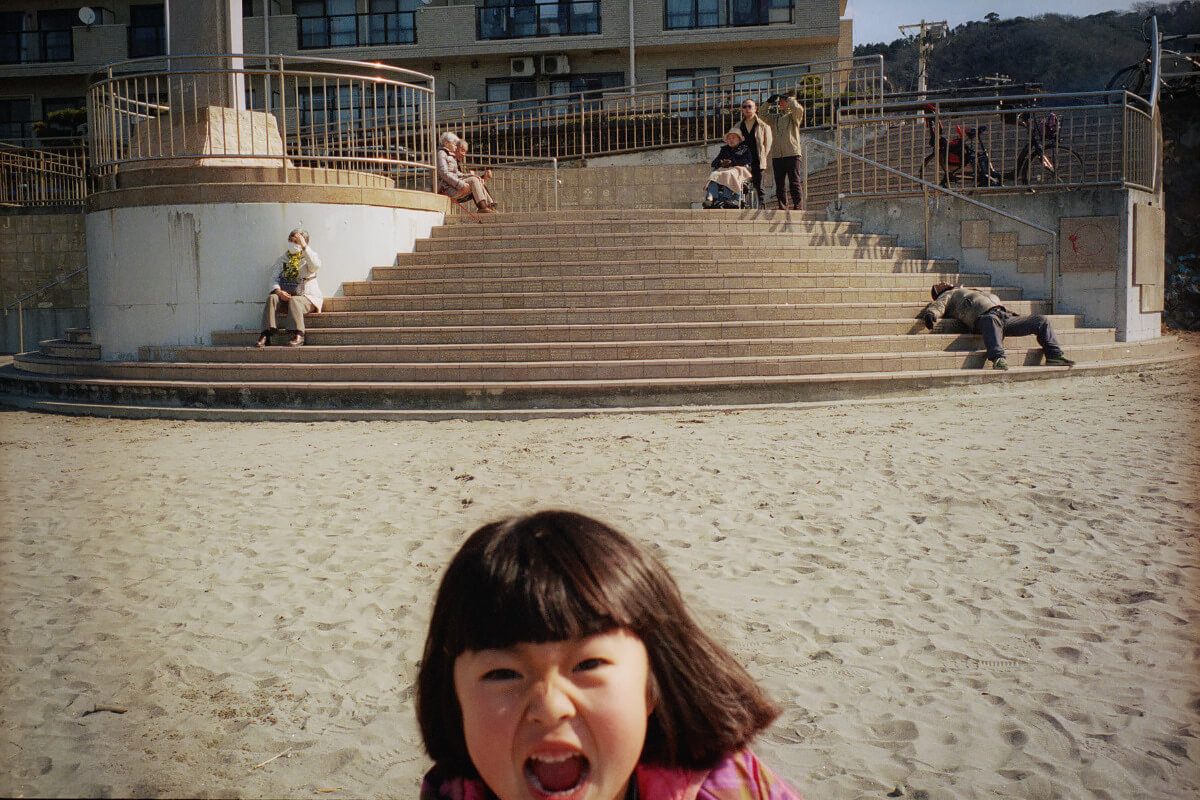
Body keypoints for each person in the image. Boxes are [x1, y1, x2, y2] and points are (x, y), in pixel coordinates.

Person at [416, 510, 805, 800]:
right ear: (455, 701)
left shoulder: (734, 790)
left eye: (588, 664)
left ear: (652, 689)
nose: (550, 706)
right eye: (503, 674)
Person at [920, 281, 1075, 370]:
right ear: (938, 291)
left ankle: (1054, 355)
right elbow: (939, 305)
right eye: (939, 285)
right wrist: (931, 314)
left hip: (1005, 316)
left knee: (1041, 320)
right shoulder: (950, 294)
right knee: (990, 320)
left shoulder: (968, 289)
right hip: (984, 318)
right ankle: (998, 358)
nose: (943, 282)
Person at [256, 228, 322, 348]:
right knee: (272, 298)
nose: (293, 243)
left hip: (306, 298)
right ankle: (266, 334)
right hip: (286, 297)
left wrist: (304, 247)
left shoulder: (309, 257)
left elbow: (315, 265)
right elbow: (274, 278)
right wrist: (279, 292)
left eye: (296, 241)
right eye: (291, 240)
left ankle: (298, 334)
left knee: (295, 300)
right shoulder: (282, 259)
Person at [437, 131, 497, 214]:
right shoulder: (441, 154)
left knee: (475, 179)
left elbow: (458, 174)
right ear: (446, 143)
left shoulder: (450, 156)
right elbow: (444, 173)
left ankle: (490, 206)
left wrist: (476, 176)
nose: (455, 146)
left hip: (452, 185)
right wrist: (461, 184)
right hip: (446, 188)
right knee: (473, 180)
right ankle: (483, 208)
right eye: (454, 144)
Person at [765, 91, 806, 210]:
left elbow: (799, 109)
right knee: (780, 183)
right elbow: (762, 115)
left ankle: (798, 206)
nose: (781, 103)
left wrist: (790, 99)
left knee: (794, 181)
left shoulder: (794, 116)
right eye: (781, 101)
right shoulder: (775, 118)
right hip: (777, 154)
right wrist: (768, 103)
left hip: (792, 153)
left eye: (784, 101)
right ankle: (782, 206)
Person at [704, 129, 753, 209]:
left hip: (738, 169)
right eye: (729, 138)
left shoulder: (744, 149)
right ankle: (710, 198)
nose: (731, 140)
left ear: (739, 139)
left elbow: (748, 160)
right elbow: (714, 163)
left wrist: (732, 162)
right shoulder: (724, 149)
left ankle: (728, 198)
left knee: (728, 174)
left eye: (733, 138)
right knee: (714, 174)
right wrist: (721, 163)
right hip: (724, 170)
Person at [736, 98, 773, 206]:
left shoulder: (763, 126)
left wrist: (763, 156)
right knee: (741, 184)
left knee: (759, 184)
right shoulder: (738, 126)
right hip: (742, 159)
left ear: (755, 108)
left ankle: (762, 205)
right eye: (744, 107)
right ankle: (741, 204)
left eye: (750, 106)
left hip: (757, 158)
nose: (747, 109)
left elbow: (768, 144)